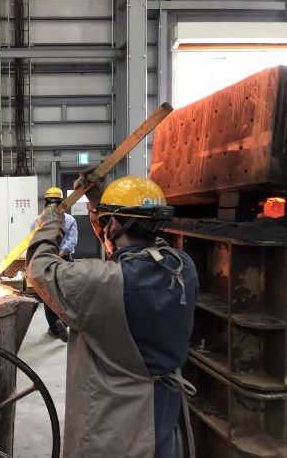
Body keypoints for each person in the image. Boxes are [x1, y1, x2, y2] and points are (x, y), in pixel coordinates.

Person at [26, 174, 198, 458]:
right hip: (164, 415)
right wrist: (103, 204)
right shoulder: (183, 267)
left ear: (114, 225)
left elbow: (40, 268)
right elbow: (131, 251)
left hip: (119, 426)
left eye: (108, 222)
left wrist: (51, 224)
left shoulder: (103, 283)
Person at [30, 187, 78, 342]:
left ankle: (63, 323)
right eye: (50, 202)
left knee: (64, 293)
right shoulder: (37, 222)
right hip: (49, 261)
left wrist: (57, 254)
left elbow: (72, 240)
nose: (52, 205)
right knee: (49, 295)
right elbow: (33, 241)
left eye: (55, 202)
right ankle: (55, 327)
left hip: (61, 260)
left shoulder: (69, 220)